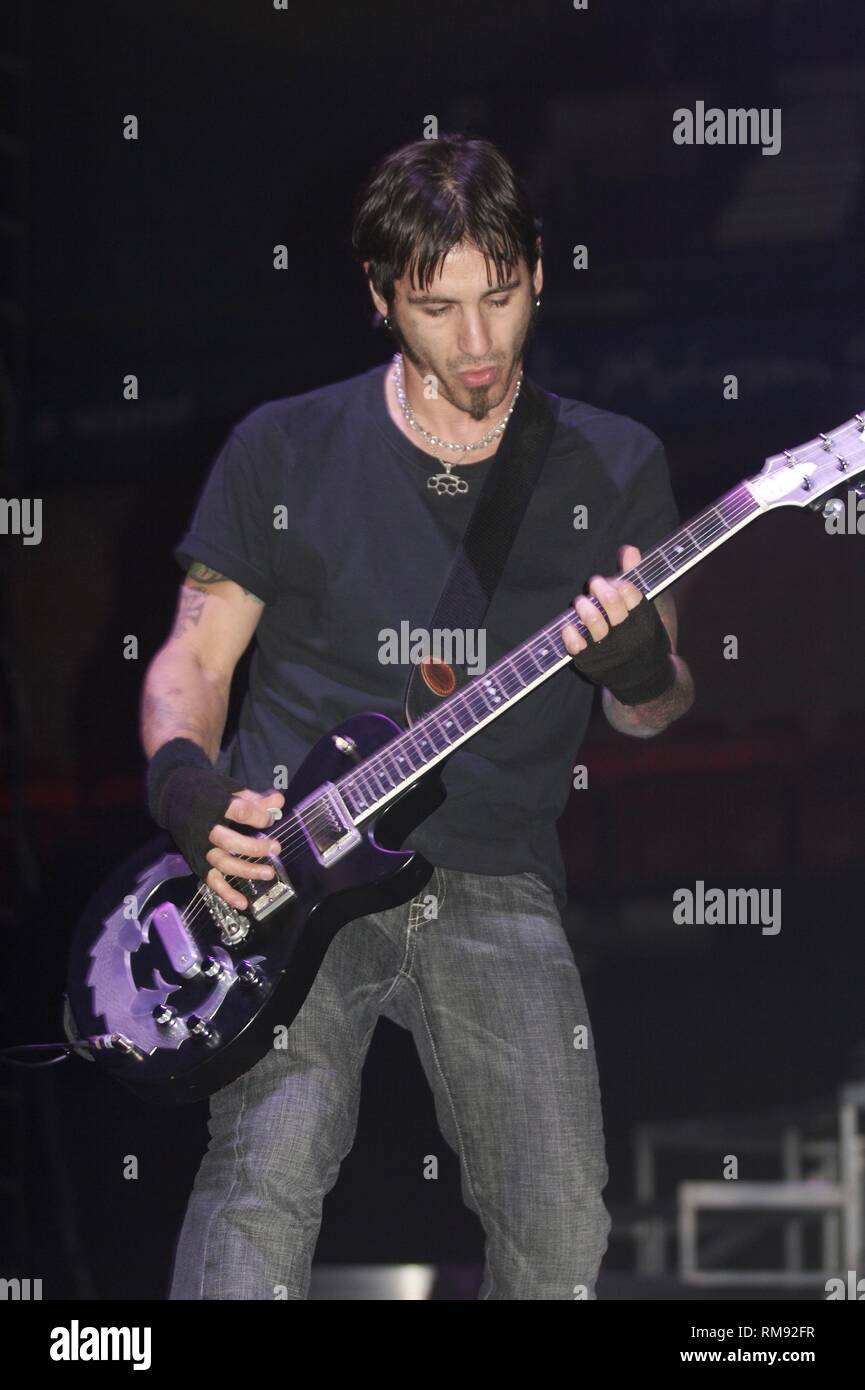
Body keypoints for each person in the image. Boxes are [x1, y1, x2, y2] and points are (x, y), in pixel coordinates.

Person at [142, 133, 694, 1300]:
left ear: (539, 269)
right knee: (265, 1172)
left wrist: (640, 661)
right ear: (381, 298)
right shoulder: (282, 447)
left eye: (501, 297)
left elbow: (654, 711)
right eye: (438, 309)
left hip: (495, 871)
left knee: (560, 1223)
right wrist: (191, 799)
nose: (481, 343)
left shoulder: (614, 460)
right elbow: (190, 659)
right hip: (295, 876)